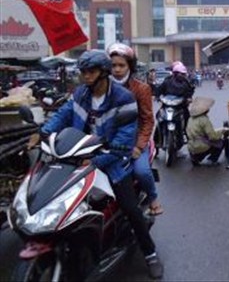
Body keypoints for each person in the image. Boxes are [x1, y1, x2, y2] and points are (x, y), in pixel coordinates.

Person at [28, 50, 163, 279]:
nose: (85, 75)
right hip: (78, 155)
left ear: (103, 72)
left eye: (90, 71)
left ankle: (150, 253)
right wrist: (42, 133)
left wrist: (98, 160)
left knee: (130, 209)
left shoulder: (124, 98)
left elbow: (124, 139)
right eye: (83, 71)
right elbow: (62, 115)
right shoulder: (80, 94)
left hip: (112, 160)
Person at [108, 43, 163, 217]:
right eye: (113, 65)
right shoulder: (103, 87)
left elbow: (148, 120)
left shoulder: (142, 88)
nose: (117, 69)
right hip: (110, 140)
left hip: (136, 140)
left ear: (129, 67)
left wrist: (139, 146)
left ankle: (153, 198)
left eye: (121, 65)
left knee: (141, 171)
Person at [186, 96, 228, 167]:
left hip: (191, 146)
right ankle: (212, 160)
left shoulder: (190, 119)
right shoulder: (204, 120)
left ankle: (195, 158)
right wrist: (222, 131)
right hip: (201, 146)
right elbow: (213, 136)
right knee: (221, 142)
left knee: (202, 144)